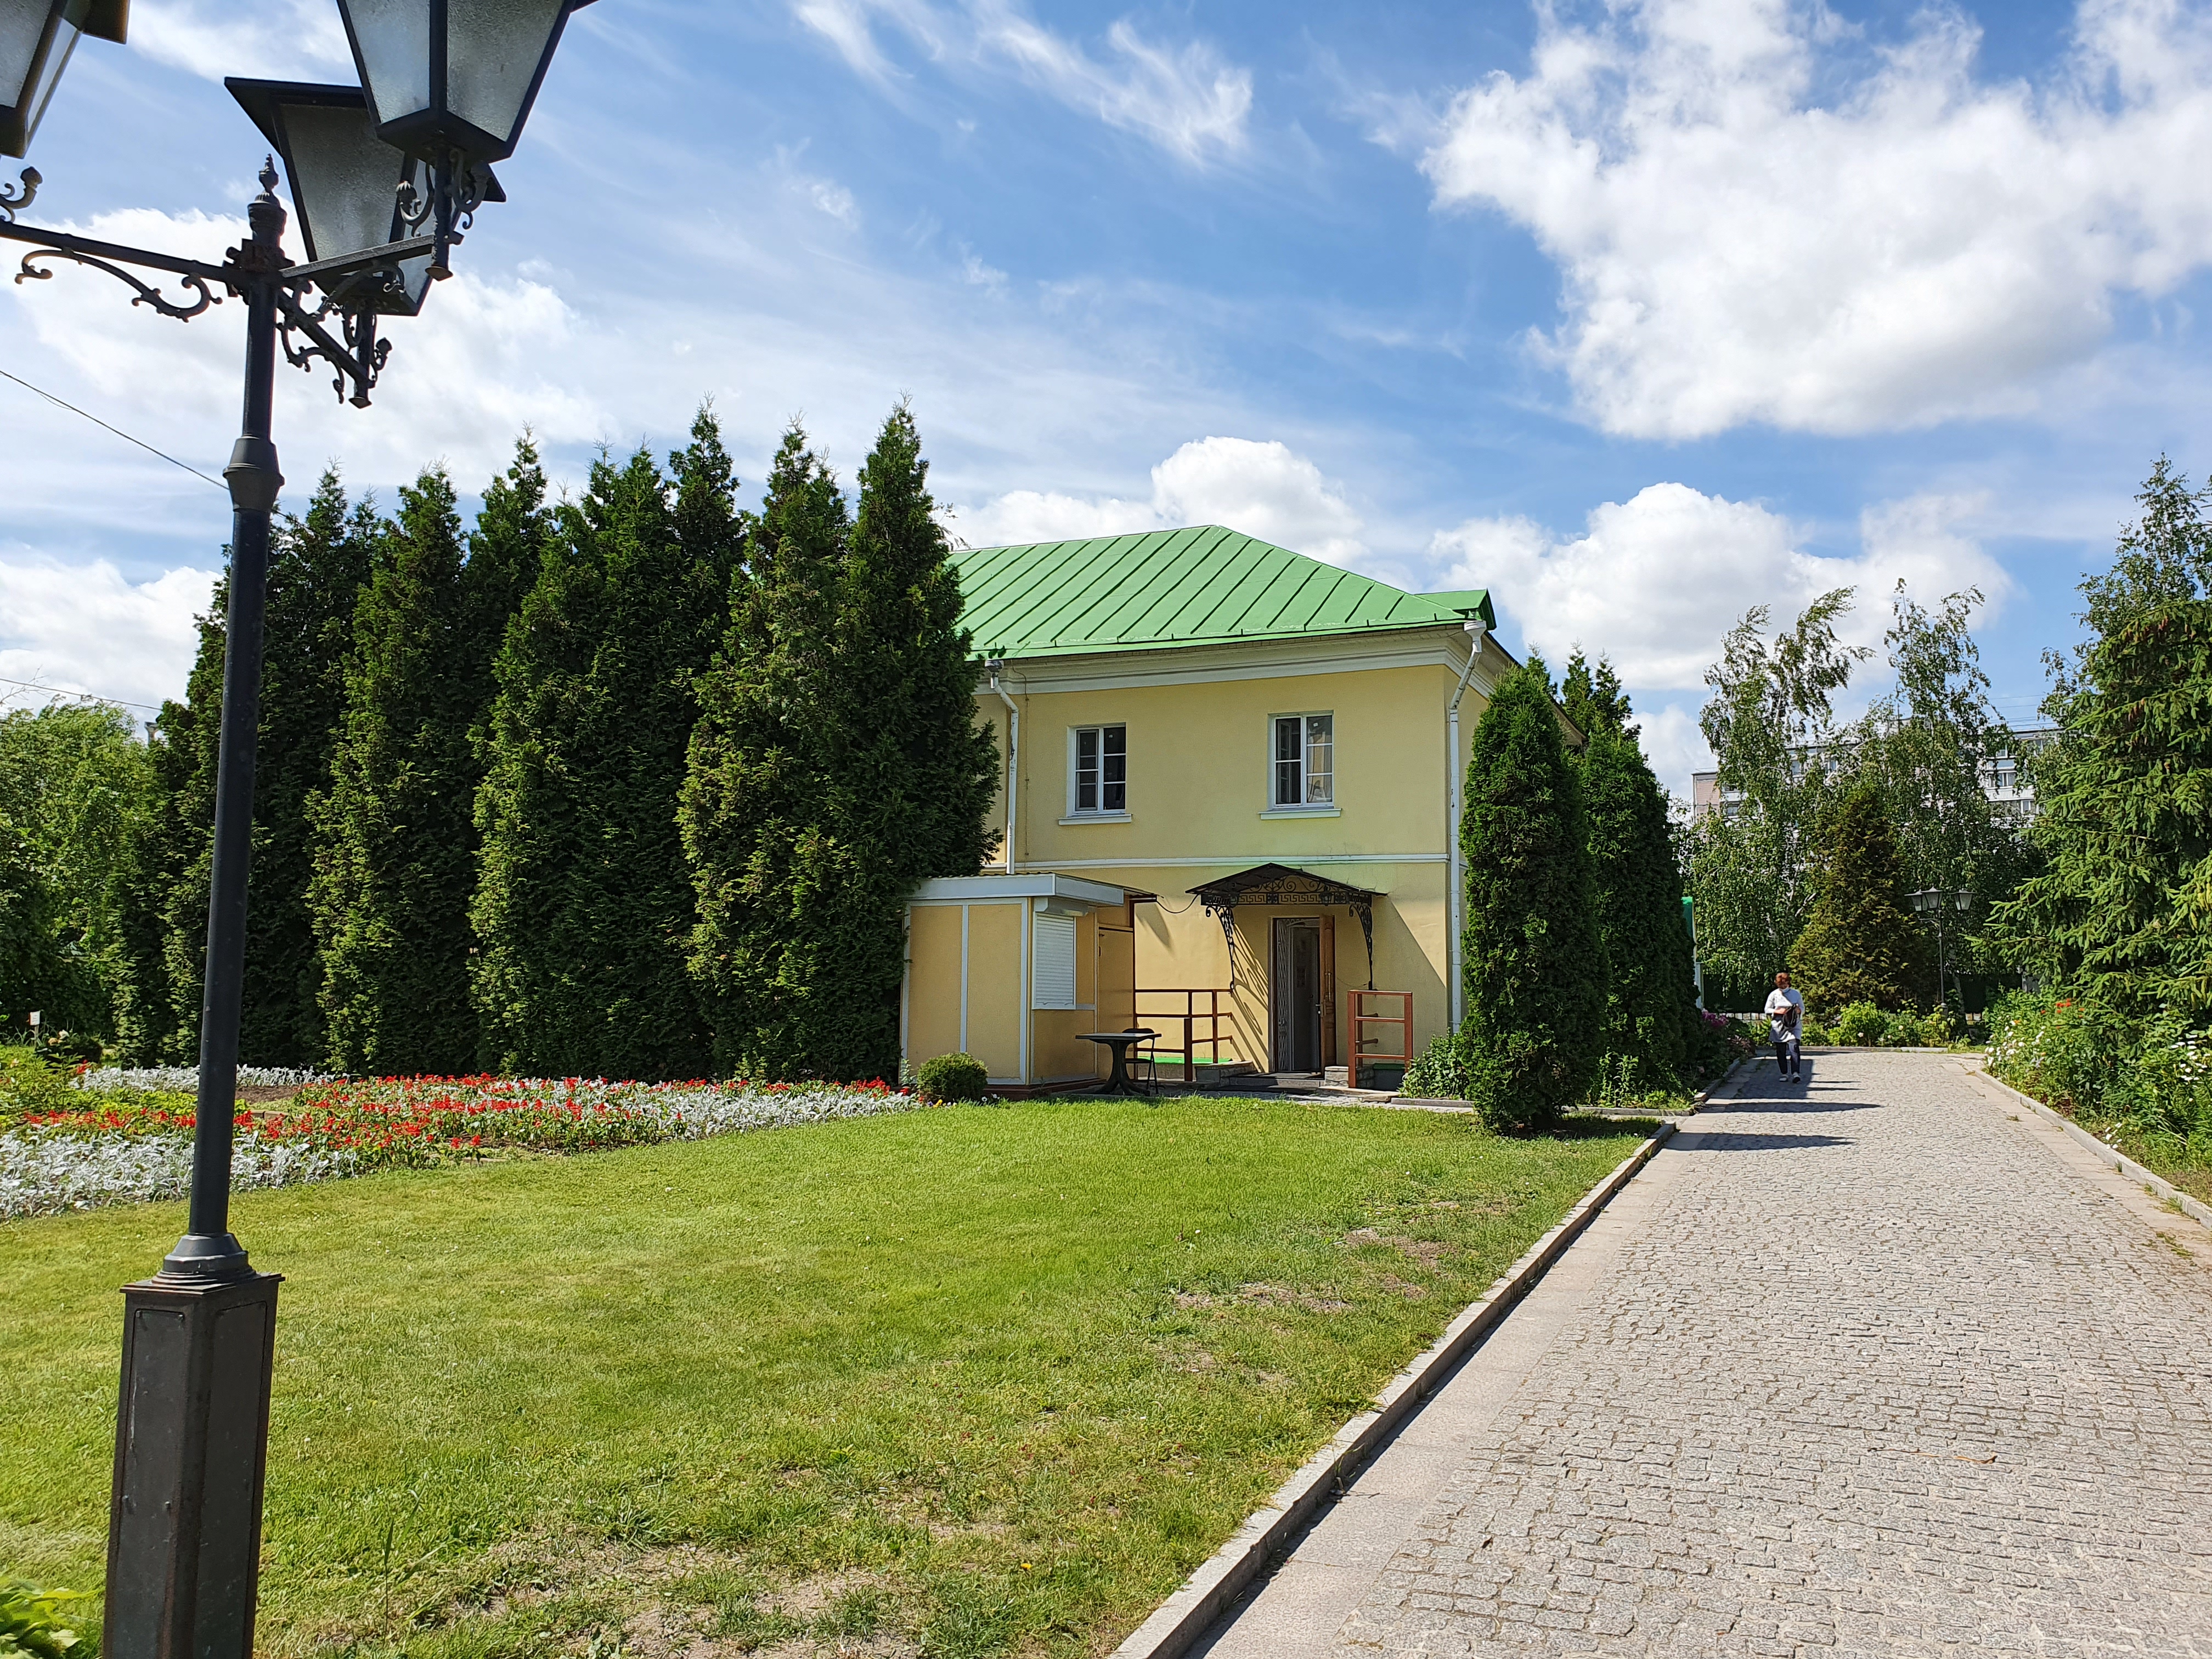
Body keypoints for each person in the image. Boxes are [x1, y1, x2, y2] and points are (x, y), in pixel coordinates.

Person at [1764, 970, 1804, 1084]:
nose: (1783, 987)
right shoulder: (1774, 995)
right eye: (1780, 985)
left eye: (1784, 984)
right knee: (1781, 1050)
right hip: (1779, 1026)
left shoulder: (1796, 994)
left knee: (1794, 1047)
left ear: (1788, 983)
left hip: (1793, 1024)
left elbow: (1802, 1007)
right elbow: (1767, 1009)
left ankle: (1796, 1073)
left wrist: (1799, 1010)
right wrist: (1777, 1011)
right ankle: (1784, 1073)